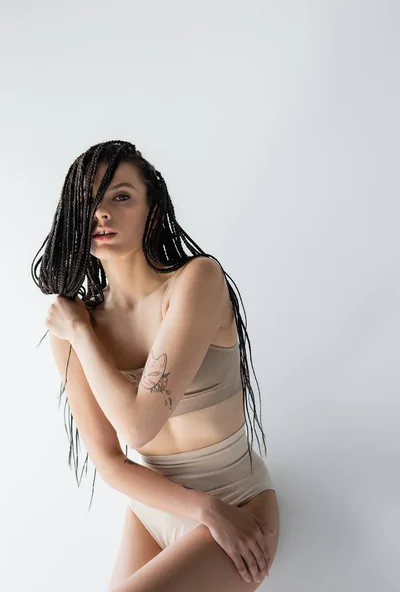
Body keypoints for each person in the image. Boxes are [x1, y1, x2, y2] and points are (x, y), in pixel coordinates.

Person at [31, 140, 280, 591]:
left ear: (151, 207)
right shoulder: (71, 327)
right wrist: (202, 510)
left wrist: (83, 334)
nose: (102, 212)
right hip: (156, 509)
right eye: (89, 202)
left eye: (121, 196)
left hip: (237, 501)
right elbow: (109, 462)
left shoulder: (195, 281)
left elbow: (139, 427)